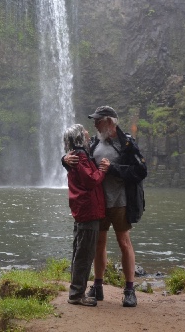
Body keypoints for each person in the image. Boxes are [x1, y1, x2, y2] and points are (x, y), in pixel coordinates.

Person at [63, 106, 147, 308]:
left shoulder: (126, 143)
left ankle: (129, 290)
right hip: (97, 204)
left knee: (124, 242)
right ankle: (97, 286)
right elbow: (79, 162)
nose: (94, 124)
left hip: (120, 202)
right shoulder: (93, 142)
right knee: (98, 244)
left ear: (110, 122)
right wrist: (64, 160)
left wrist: (114, 168)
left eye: (98, 120)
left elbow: (141, 170)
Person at [62, 124, 110, 307]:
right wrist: (103, 171)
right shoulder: (80, 157)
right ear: (79, 137)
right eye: (84, 132)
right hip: (88, 210)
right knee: (84, 253)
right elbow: (91, 180)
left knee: (81, 251)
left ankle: (76, 291)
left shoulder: (77, 155)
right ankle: (76, 295)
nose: (88, 133)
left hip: (84, 210)